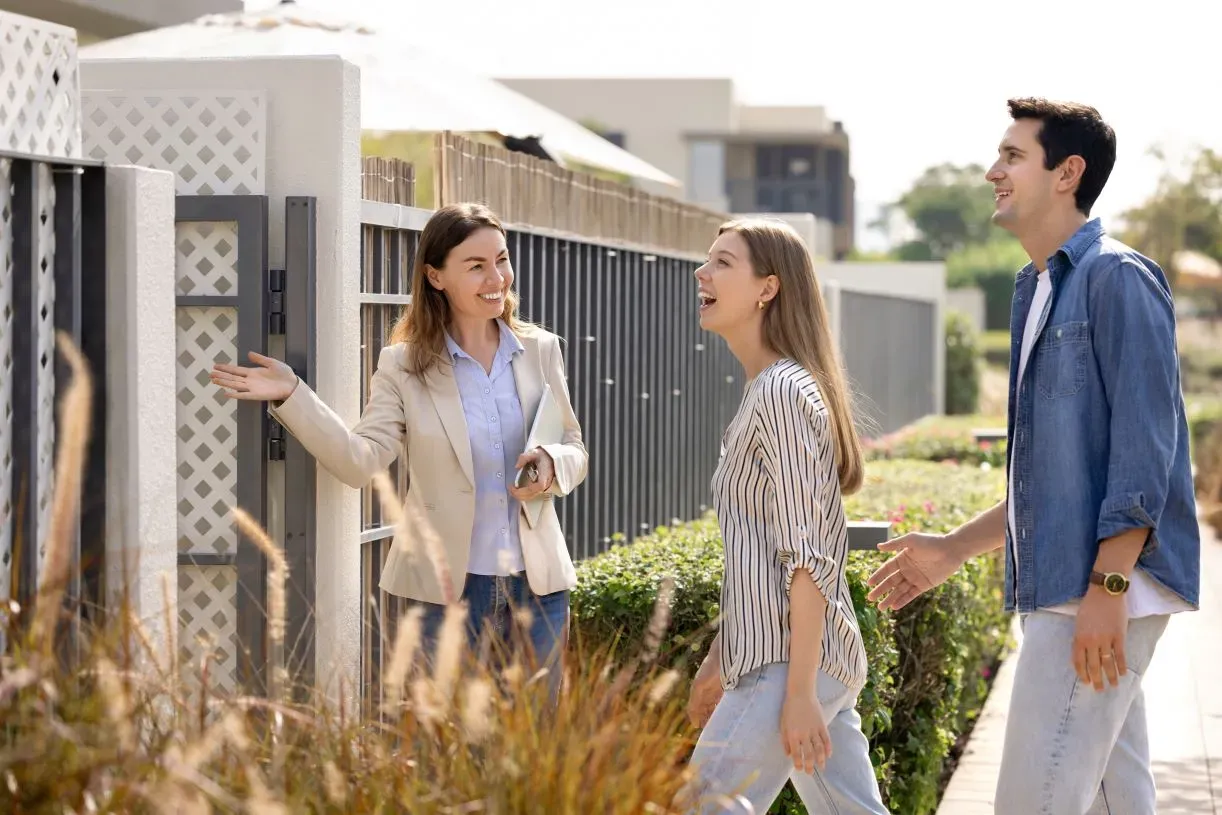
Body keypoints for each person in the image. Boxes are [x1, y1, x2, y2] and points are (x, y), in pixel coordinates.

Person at [865, 98, 1200, 814]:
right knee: (1117, 798)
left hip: (1095, 591)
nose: (993, 172)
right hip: (1074, 585)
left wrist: (1107, 591)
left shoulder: (1117, 278)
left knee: (1031, 800)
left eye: (1013, 157)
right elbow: (1052, 479)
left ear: (1067, 172)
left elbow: (1146, 449)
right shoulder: (1039, 288)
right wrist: (955, 546)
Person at [209, 203, 587, 700]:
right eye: (475, 266)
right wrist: (292, 394)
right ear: (435, 276)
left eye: (501, 259)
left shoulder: (540, 350)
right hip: (444, 593)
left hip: (537, 588)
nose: (496, 277)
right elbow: (358, 460)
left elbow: (575, 447)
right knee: (448, 753)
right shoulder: (404, 366)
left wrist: (551, 463)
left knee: (537, 756)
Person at [682, 218, 888, 814]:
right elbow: (761, 553)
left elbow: (809, 557)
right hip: (796, 660)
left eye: (723, 262)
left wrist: (796, 693)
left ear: (767, 288)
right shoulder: (771, 390)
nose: (703, 272)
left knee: (699, 806)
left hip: (788, 665)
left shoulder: (780, 392)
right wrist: (720, 658)